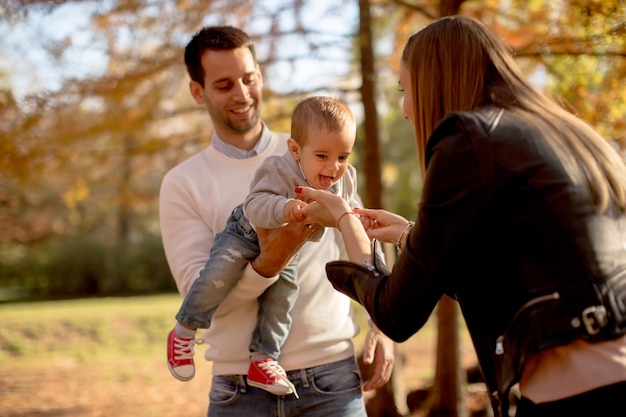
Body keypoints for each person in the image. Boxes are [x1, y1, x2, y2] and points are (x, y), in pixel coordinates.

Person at [295, 15, 626, 417]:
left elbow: (397, 313)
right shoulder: (561, 131)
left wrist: (345, 221)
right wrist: (407, 235)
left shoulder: (465, 138)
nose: (404, 110)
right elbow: (514, 266)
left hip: (580, 393)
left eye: (405, 89)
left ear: (434, 81)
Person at [159, 25, 394, 416]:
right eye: (224, 84)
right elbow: (201, 294)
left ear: (260, 77)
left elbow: (361, 237)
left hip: (333, 380)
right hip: (239, 392)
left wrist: (381, 323)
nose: (242, 94)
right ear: (197, 92)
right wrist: (270, 262)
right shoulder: (183, 183)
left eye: (249, 78)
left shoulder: (320, 150)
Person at [166, 95, 362, 398]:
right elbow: (255, 203)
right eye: (322, 156)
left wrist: (359, 221)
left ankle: (263, 358)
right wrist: (285, 208)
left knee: (282, 299)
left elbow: (348, 217)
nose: (334, 167)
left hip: (289, 248)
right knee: (218, 275)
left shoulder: (344, 180)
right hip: (245, 234)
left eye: (343, 156)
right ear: (296, 150)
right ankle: (184, 330)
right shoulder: (279, 168)